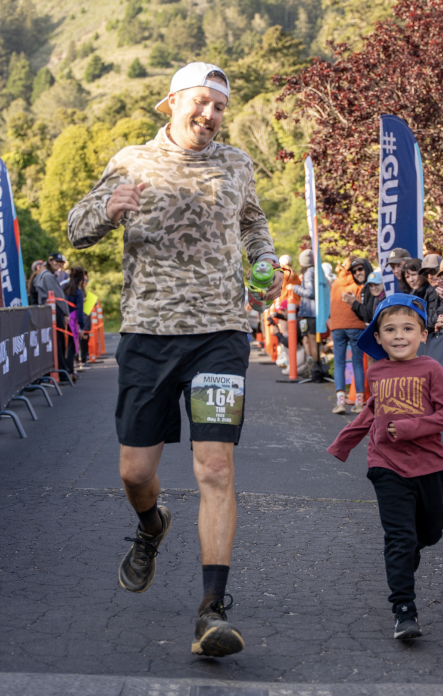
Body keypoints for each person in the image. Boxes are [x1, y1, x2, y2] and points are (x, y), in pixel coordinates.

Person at [66, 62, 282, 657]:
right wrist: (110, 207)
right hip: (149, 334)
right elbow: (76, 228)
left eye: (219, 107)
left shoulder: (237, 164)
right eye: (201, 103)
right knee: (134, 473)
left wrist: (263, 261)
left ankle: (211, 610)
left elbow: (254, 221)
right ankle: (151, 525)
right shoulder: (132, 160)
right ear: (171, 103)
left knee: (215, 467)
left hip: (220, 333)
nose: (210, 116)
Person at [327, 293, 443, 640]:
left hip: (430, 465)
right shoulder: (378, 370)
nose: (399, 335)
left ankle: (411, 550)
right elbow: (372, 411)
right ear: (379, 336)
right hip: (385, 464)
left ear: (423, 334)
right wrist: (344, 442)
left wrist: (411, 427)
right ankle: (404, 609)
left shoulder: (432, 369)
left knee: (430, 532)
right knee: (398, 537)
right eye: (390, 329)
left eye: (407, 328)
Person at [330, 257, 371, 414]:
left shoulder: (336, 282)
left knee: (339, 363)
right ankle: (359, 403)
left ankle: (340, 402)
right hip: (356, 326)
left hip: (337, 326)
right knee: (358, 363)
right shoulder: (358, 282)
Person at [33, 253, 74, 377]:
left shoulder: (41, 275)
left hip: (45, 312)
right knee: (58, 343)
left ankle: (56, 371)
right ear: (50, 261)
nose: (59, 264)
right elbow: (58, 296)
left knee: (52, 343)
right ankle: (61, 372)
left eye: (61, 262)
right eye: (56, 261)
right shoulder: (48, 276)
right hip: (54, 312)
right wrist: (66, 312)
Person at [291, 250, 320, 368]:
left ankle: (316, 370)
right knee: (310, 340)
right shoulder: (316, 271)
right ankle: (314, 367)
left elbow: (310, 292)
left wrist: (294, 288)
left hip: (310, 313)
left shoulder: (309, 273)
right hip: (312, 312)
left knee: (312, 341)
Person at [63, 266, 90, 372]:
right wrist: (82, 326)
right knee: (72, 346)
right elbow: (79, 310)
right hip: (73, 321)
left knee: (64, 346)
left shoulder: (65, 289)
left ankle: (66, 368)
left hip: (64, 318)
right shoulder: (78, 292)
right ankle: (70, 369)